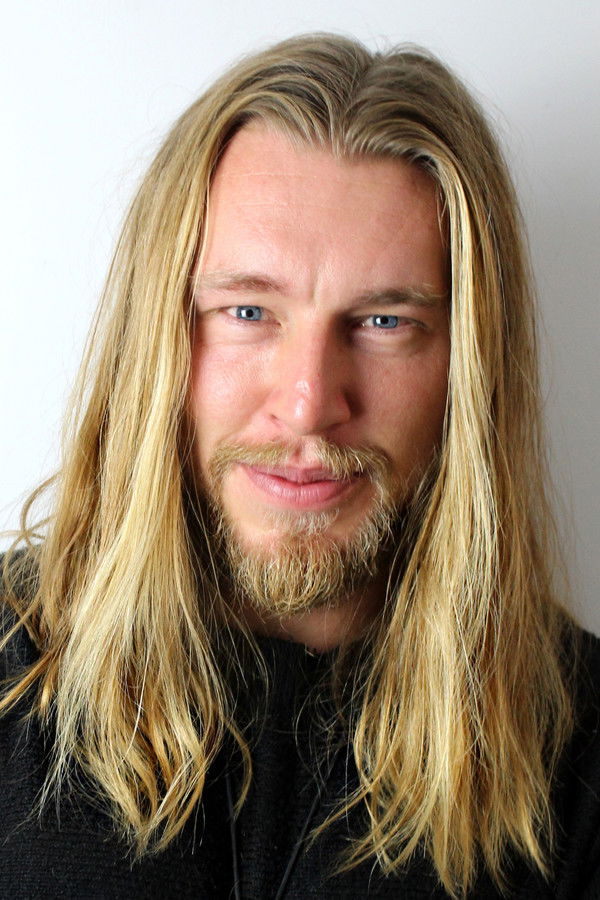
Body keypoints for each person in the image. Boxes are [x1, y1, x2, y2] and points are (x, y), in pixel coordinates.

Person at [1, 32, 599, 900]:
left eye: (385, 323)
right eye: (248, 311)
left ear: (469, 371)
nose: (310, 403)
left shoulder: (581, 752)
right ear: (156, 335)